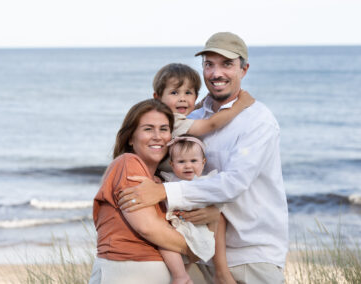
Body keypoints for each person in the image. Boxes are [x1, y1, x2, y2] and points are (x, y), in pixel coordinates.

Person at [118, 32, 289, 284]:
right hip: (197, 251)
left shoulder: (258, 121)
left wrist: (164, 191)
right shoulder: (193, 118)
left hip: (251, 256)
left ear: (244, 69)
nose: (216, 73)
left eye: (227, 64)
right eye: (209, 64)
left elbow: (232, 184)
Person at [90, 99, 196, 284]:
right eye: (148, 129)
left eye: (164, 129)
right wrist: (196, 248)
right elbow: (148, 227)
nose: (158, 136)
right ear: (131, 137)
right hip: (127, 272)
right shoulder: (127, 163)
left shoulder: (161, 182)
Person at [161, 134, 235, 283]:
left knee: (192, 253)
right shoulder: (170, 180)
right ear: (172, 164)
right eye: (181, 162)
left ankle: (183, 275)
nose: (188, 165)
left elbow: (218, 202)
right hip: (177, 227)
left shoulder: (206, 182)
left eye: (193, 161)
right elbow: (161, 193)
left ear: (203, 162)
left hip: (197, 229)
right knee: (165, 245)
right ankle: (180, 275)